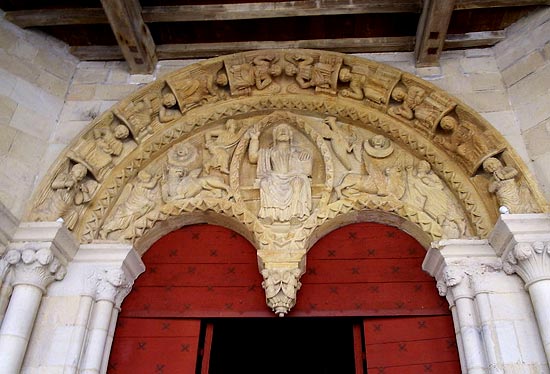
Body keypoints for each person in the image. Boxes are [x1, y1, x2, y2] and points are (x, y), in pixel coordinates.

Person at [248, 123, 312, 224]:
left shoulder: (298, 153)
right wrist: (254, 139)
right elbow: (252, 157)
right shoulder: (268, 152)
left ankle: (294, 215)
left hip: (291, 178)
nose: (283, 132)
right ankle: (269, 215)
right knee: (264, 182)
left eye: (285, 130)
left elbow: (307, 171)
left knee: (297, 182)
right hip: (274, 178)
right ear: (275, 136)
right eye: (280, 130)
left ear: (290, 135)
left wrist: (306, 160)